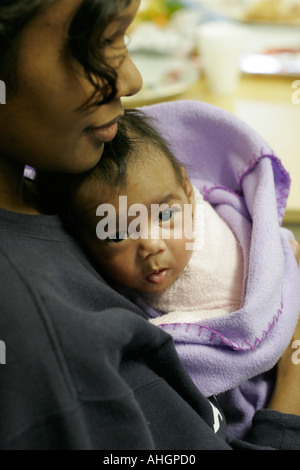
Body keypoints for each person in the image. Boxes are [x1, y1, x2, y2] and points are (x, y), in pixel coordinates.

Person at [1, 0, 300, 451]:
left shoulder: (47, 188)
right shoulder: (46, 345)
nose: (132, 79)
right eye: (101, 41)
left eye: (125, 38)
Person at [38, 108, 299, 442]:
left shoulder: (230, 224)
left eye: (164, 214)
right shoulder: (114, 309)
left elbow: (278, 255)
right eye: (117, 233)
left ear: (187, 187)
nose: (151, 244)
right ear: (83, 241)